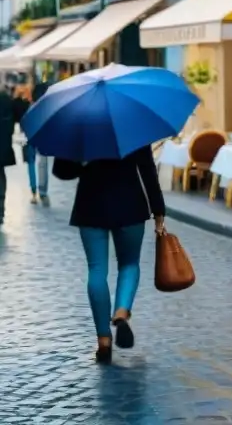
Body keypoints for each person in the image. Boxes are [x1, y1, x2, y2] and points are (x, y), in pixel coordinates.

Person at [53, 146, 167, 363]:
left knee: (96, 269)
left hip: (90, 205)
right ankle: (122, 311)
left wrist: (82, 161)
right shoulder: (130, 120)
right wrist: (158, 209)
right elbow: (147, 168)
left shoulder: (79, 125)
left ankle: (103, 340)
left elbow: (61, 171)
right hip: (130, 204)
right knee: (129, 263)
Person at [24, 77, 52, 204]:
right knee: (43, 164)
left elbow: (25, 123)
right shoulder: (47, 107)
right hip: (44, 138)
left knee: (32, 164)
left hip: (31, 139)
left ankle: (34, 191)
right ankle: (43, 192)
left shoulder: (31, 107)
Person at [0, 83, 18, 225]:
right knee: (0, 176)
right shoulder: (6, 99)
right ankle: (0, 209)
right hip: (3, 145)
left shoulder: (6, 99)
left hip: (3, 144)